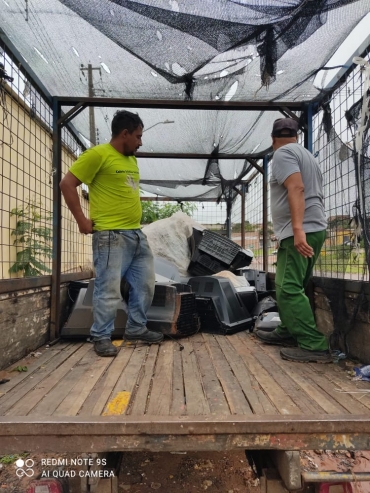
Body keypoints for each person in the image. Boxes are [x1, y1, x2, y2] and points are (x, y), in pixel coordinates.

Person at [60, 110, 163, 357]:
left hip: (136, 235)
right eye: (138, 136)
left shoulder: (131, 159)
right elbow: (67, 184)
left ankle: (136, 328)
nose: (140, 142)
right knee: (108, 288)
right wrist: (82, 221)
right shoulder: (97, 155)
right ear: (124, 134)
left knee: (146, 285)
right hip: (110, 236)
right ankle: (101, 336)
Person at [256, 118, 330, 363]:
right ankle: (288, 330)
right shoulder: (306, 155)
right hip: (314, 227)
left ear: (273, 138)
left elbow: (296, 188)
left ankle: (313, 344)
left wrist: (297, 229)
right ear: (296, 135)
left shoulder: (282, 154)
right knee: (293, 284)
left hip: (301, 229)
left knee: (288, 288)